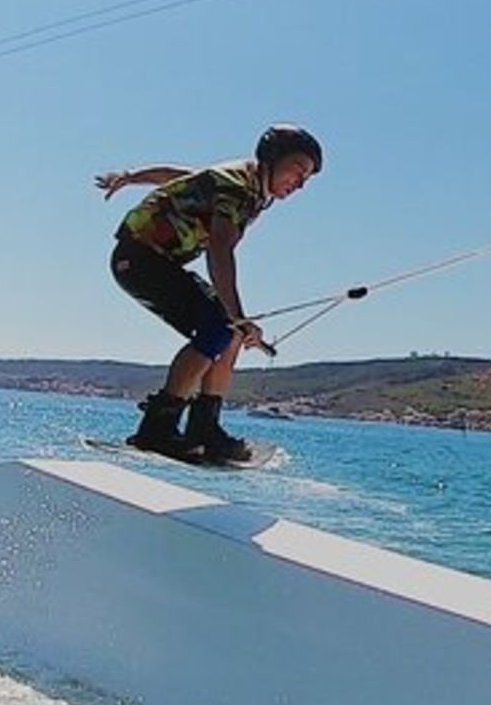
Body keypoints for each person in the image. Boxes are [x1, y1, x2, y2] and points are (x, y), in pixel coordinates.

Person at [96, 123, 322, 462]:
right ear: (272, 158)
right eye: (297, 171)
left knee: (227, 332)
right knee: (220, 327)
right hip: (138, 258)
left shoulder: (248, 183)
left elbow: (179, 176)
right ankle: (157, 429)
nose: (301, 184)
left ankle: (205, 428)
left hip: (160, 262)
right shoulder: (237, 188)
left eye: (308, 179)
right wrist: (237, 314)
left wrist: (130, 177)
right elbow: (220, 250)